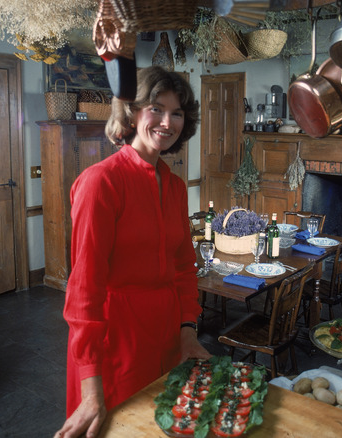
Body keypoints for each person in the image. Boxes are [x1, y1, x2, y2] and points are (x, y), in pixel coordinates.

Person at [54, 66, 212, 438]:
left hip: (167, 336)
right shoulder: (101, 183)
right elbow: (84, 292)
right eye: (156, 108)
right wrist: (90, 389)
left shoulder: (173, 187)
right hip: (116, 342)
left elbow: (182, 267)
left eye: (176, 113)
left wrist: (187, 331)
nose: (166, 121)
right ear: (132, 111)